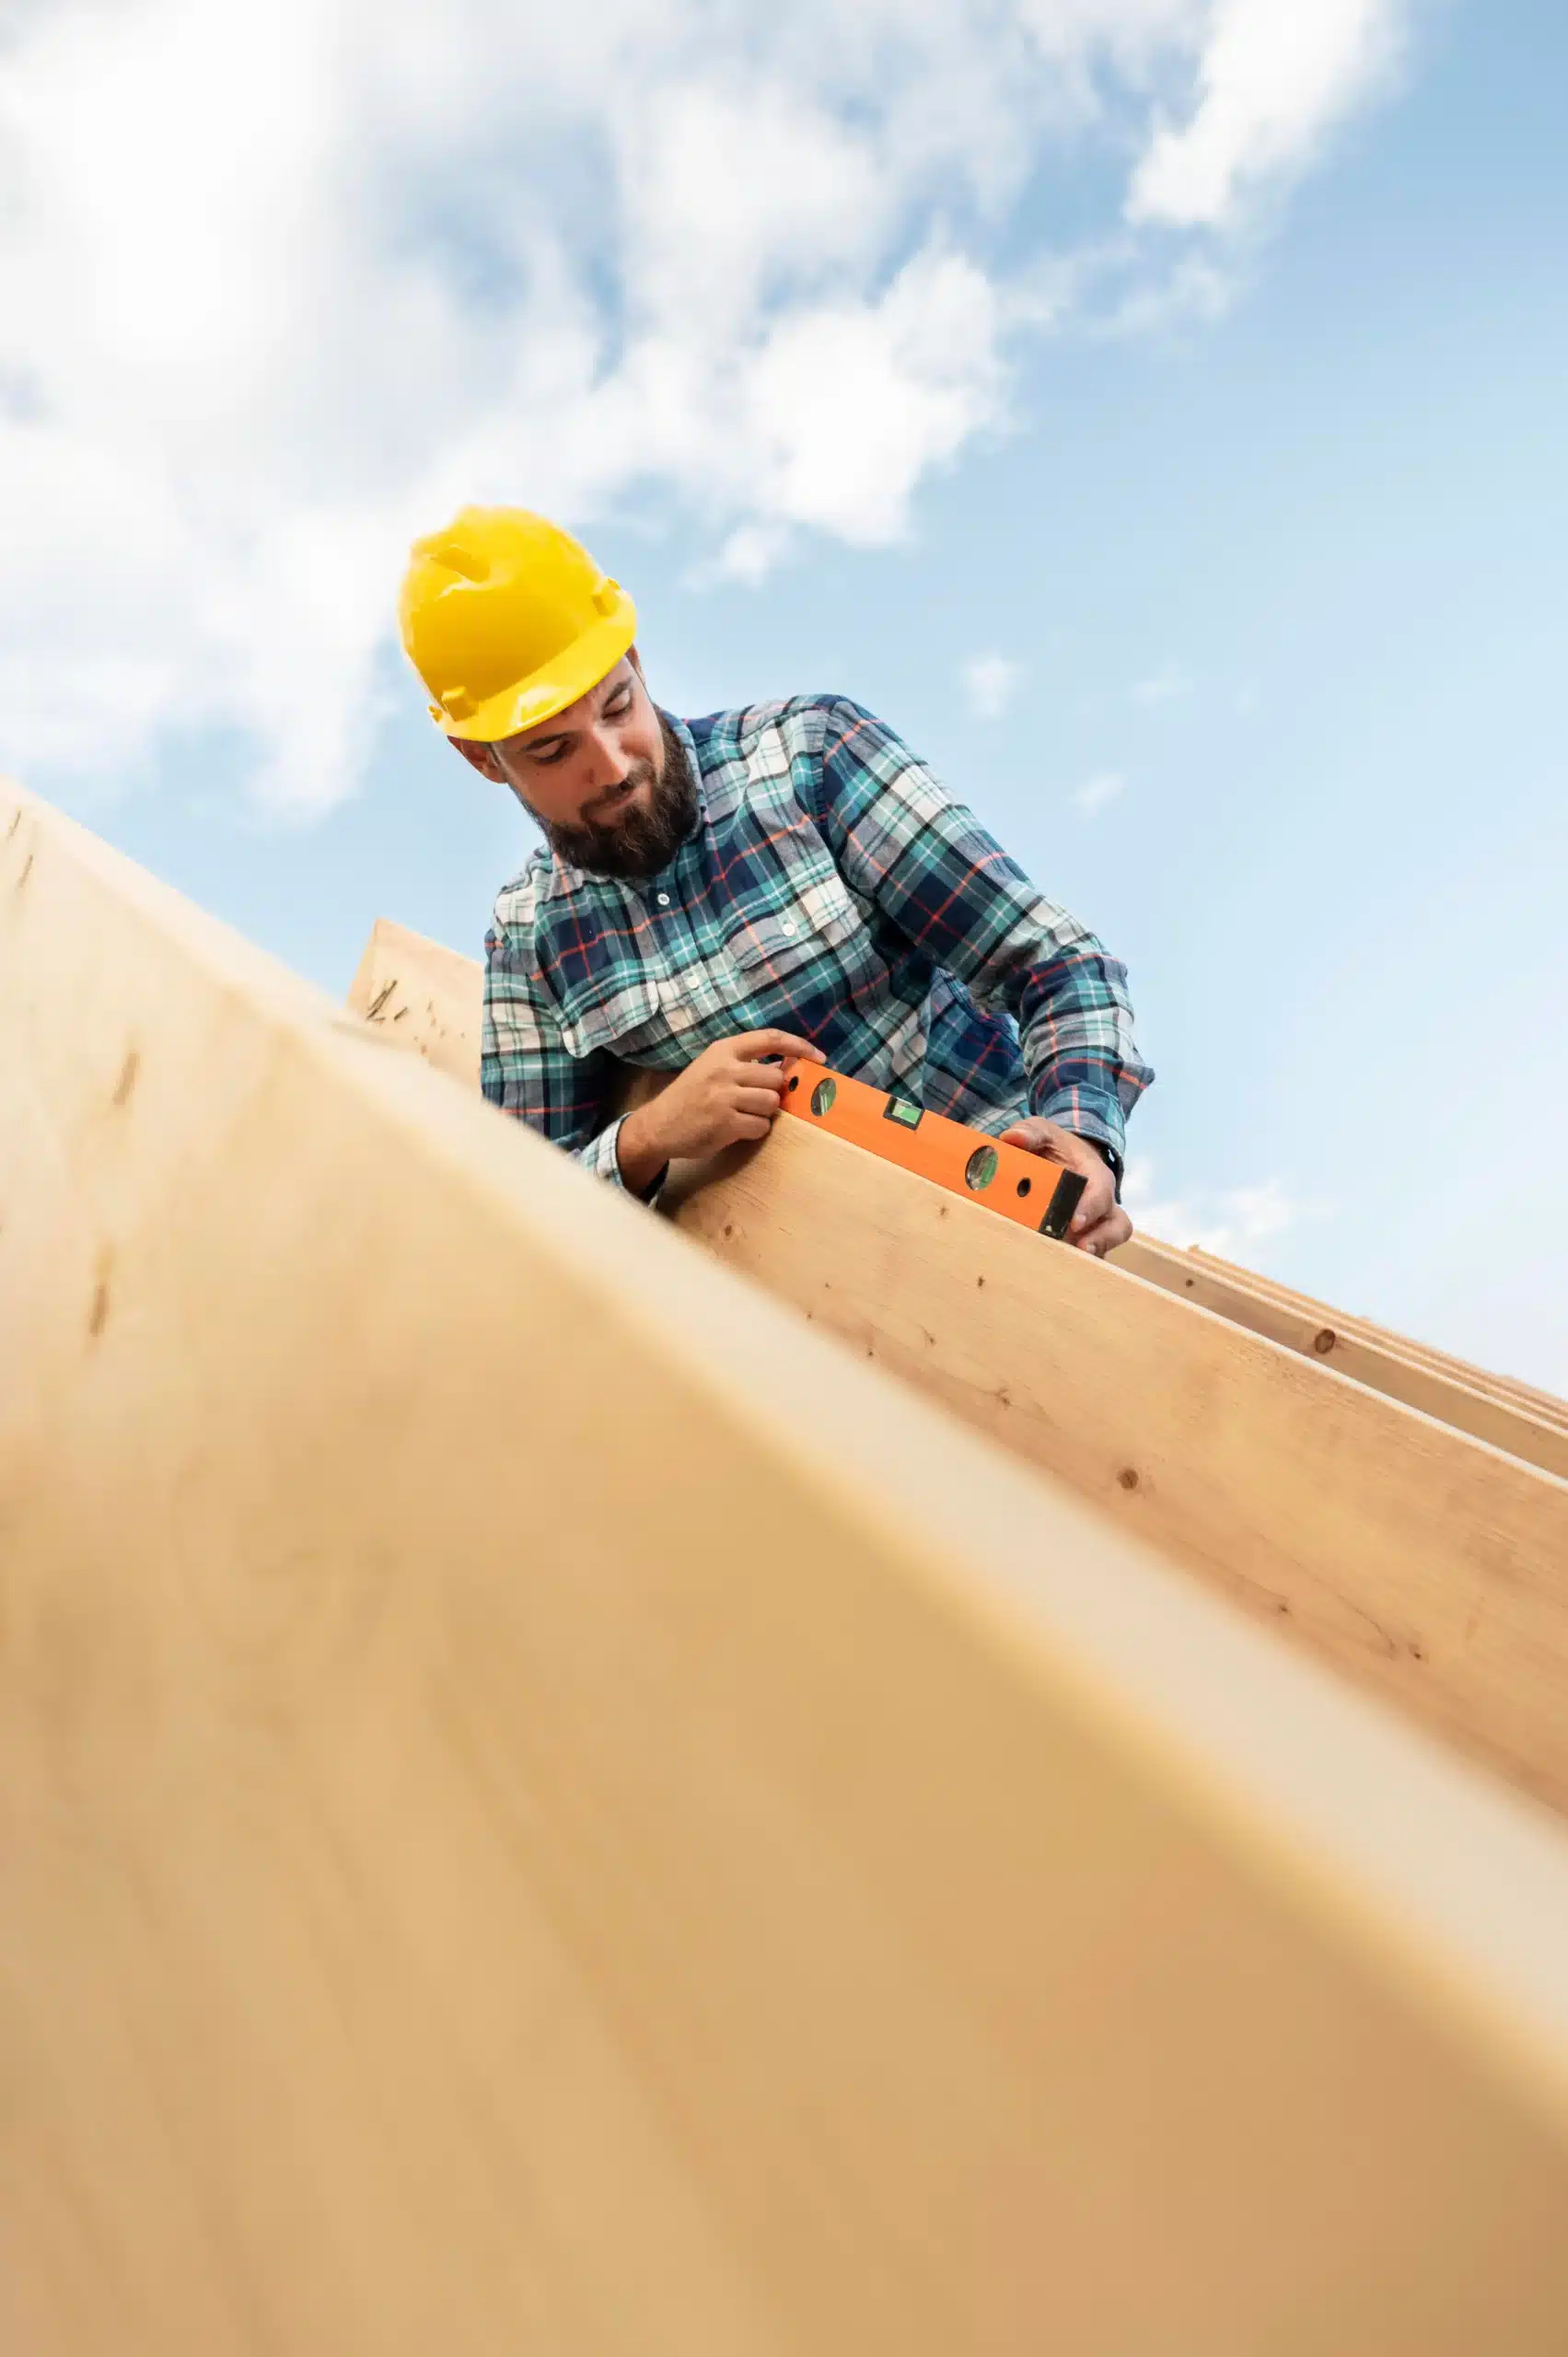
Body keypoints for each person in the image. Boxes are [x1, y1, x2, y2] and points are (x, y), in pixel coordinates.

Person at [399, 506, 1153, 1255]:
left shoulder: (811, 760)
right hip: (806, 1303)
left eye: (618, 705)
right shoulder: (534, 940)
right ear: (483, 759)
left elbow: (1054, 963)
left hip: (1011, 1227)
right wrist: (647, 1138)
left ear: (636, 659)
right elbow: (523, 1203)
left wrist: (1086, 1141)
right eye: (554, 750)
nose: (613, 764)